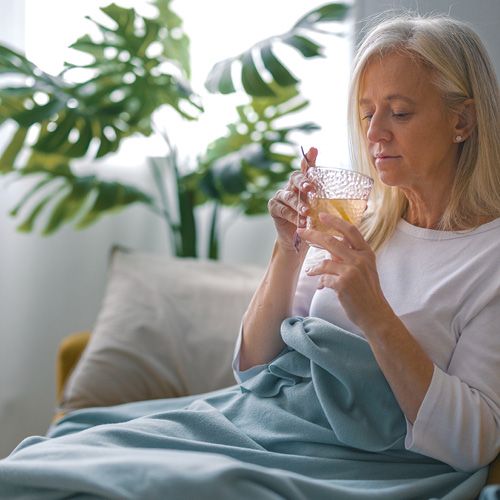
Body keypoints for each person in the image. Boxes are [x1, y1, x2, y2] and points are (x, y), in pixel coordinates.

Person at [233, 12, 500, 473]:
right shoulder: (359, 225)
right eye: (367, 112)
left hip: (347, 467)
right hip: (266, 428)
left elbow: (473, 442)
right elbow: (253, 369)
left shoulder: (489, 259)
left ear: (463, 120)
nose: (374, 133)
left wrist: (374, 312)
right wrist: (288, 251)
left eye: (399, 113)